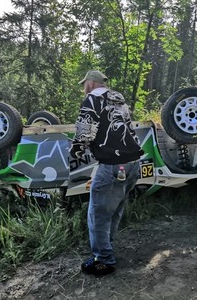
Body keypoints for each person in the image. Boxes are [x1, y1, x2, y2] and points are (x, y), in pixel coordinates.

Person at [70, 69, 144, 276]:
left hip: (112, 165)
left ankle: (103, 260)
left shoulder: (92, 99)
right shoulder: (119, 101)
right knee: (114, 211)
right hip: (132, 163)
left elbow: (85, 132)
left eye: (84, 84)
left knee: (98, 214)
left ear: (91, 83)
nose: (83, 88)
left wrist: (75, 153)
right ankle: (106, 249)